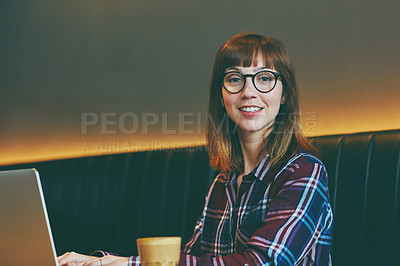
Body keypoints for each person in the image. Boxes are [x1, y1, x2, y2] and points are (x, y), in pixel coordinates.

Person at [58, 32, 333, 266]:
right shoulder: (222, 184)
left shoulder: (304, 171)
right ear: (222, 95)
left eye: (264, 78)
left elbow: (262, 262)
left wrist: (127, 264)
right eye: (235, 79)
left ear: (284, 95)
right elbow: (191, 260)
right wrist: (98, 261)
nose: (249, 91)